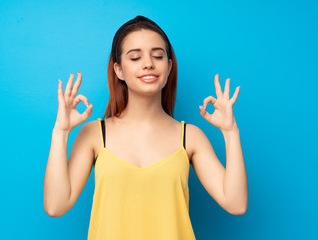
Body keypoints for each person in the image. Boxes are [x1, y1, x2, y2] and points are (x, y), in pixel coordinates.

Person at [43, 15, 248, 240]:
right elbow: (56, 206)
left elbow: (236, 203)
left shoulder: (190, 137)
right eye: (135, 57)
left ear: (169, 67)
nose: (148, 63)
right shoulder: (94, 134)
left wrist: (230, 133)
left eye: (158, 56)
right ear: (118, 70)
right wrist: (61, 132)